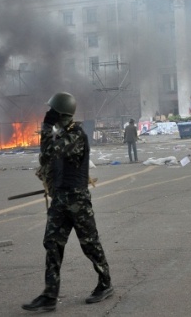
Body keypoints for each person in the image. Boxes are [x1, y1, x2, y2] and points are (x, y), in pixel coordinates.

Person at [22, 92, 113, 312]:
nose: (49, 115)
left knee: (90, 244)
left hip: (77, 200)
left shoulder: (76, 134)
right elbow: (45, 157)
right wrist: (47, 133)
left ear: (61, 114)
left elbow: (55, 151)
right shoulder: (60, 134)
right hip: (60, 199)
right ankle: (49, 295)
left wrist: (46, 131)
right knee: (52, 244)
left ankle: (105, 284)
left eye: (53, 112)